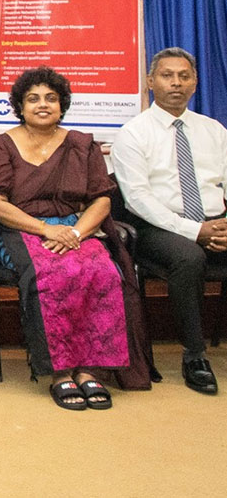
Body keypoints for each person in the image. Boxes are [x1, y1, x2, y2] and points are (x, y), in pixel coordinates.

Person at [0, 66, 150, 410]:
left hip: (75, 229)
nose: (42, 105)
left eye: (51, 98)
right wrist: (46, 230)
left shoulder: (82, 145)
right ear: (19, 106)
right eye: (33, 99)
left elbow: (101, 199)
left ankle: (89, 369)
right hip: (17, 230)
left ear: (62, 104)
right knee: (54, 273)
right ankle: (60, 371)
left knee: (102, 271)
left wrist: (77, 232)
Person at [111, 47, 227, 394]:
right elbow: (138, 199)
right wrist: (196, 231)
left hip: (215, 221)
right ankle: (194, 356)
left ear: (195, 84)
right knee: (188, 257)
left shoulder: (214, 130)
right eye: (167, 75)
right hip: (157, 228)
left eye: (184, 76)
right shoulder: (133, 133)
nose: (176, 83)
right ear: (150, 82)